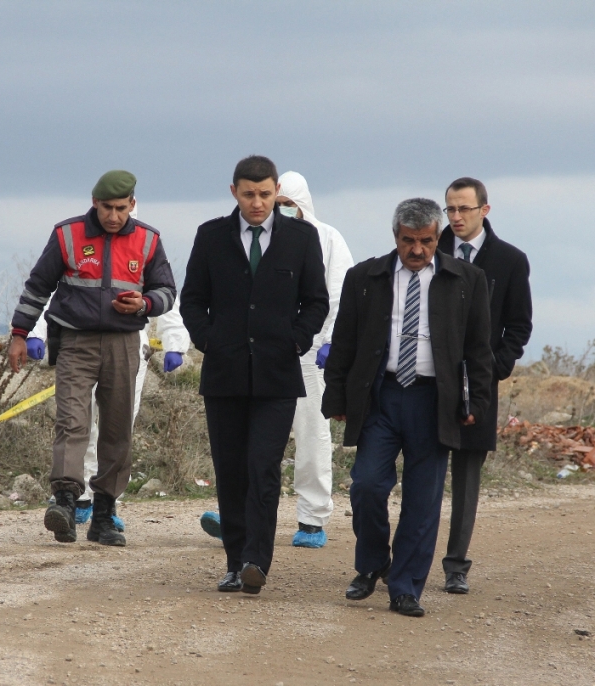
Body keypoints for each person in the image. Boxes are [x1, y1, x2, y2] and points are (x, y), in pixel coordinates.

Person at [321, 198, 493, 617]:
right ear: (395, 236)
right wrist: (338, 396)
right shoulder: (365, 277)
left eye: (427, 241)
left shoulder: (467, 279)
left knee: (423, 499)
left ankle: (406, 586)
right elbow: (344, 340)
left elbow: (479, 350)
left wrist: (478, 404)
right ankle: (372, 564)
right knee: (366, 486)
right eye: (408, 241)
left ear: (439, 237)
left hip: (435, 401)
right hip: (383, 396)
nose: (417, 250)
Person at [180, 155, 329, 594]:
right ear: (234, 192)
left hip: (278, 376)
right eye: (249, 194)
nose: (257, 203)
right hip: (224, 376)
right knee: (231, 471)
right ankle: (233, 561)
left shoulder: (301, 238)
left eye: (265, 194)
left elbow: (316, 301)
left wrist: (295, 340)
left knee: (262, 467)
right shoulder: (211, 237)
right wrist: (210, 340)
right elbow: (192, 299)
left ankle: (255, 562)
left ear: (276, 190)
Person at [8, 170, 176, 547]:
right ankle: (65, 503)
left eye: (120, 208)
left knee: (118, 429)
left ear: (132, 204)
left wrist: (145, 303)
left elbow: (167, 290)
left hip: (123, 342)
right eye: (105, 208)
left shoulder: (149, 240)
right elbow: (37, 287)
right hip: (75, 341)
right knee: (72, 420)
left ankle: (104, 514)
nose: (113, 216)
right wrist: (20, 334)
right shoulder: (67, 235)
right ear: (93, 202)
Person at [199, 171, 353, 550]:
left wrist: (324, 341)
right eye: (275, 202)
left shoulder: (325, 238)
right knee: (252, 445)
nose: (274, 208)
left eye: (285, 204)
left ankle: (312, 517)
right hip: (254, 356)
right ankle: (244, 516)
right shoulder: (241, 237)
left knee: (312, 436)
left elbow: (336, 295)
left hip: (310, 356)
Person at [438, 177, 532, 594]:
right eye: (450, 209)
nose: (456, 217)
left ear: (484, 211)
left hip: (478, 384)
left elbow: (519, 325)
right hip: (427, 379)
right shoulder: (427, 249)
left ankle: (456, 565)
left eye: (464, 209)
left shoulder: (511, 261)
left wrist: (493, 368)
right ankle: (405, 559)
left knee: (467, 477)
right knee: (422, 470)